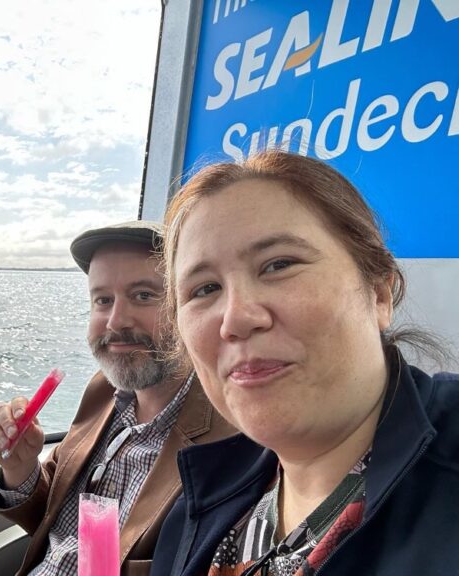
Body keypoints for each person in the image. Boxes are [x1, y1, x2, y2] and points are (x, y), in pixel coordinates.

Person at [150, 150, 459, 576]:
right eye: (204, 289)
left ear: (379, 293)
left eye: (279, 265)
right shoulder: (195, 507)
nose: (236, 319)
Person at [0, 220, 236, 576]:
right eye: (102, 300)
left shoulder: (232, 436)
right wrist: (20, 469)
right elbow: (56, 521)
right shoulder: (103, 392)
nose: (115, 321)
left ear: (191, 306)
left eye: (143, 295)